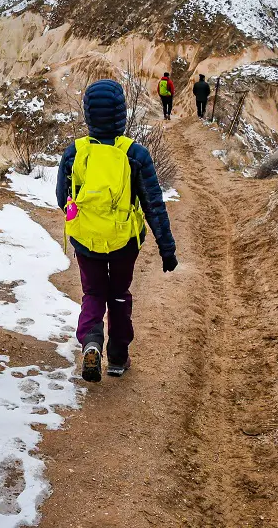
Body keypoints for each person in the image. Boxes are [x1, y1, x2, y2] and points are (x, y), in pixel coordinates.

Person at [56, 79, 178, 383]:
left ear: (88, 115)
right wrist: (167, 248)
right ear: (121, 114)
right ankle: (119, 357)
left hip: (86, 241)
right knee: (119, 295)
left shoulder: (75, 153)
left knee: (93, 292)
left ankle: (91, 342)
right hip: (124, 242)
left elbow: (62, 199)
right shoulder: (135, 154)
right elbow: (153, 205)